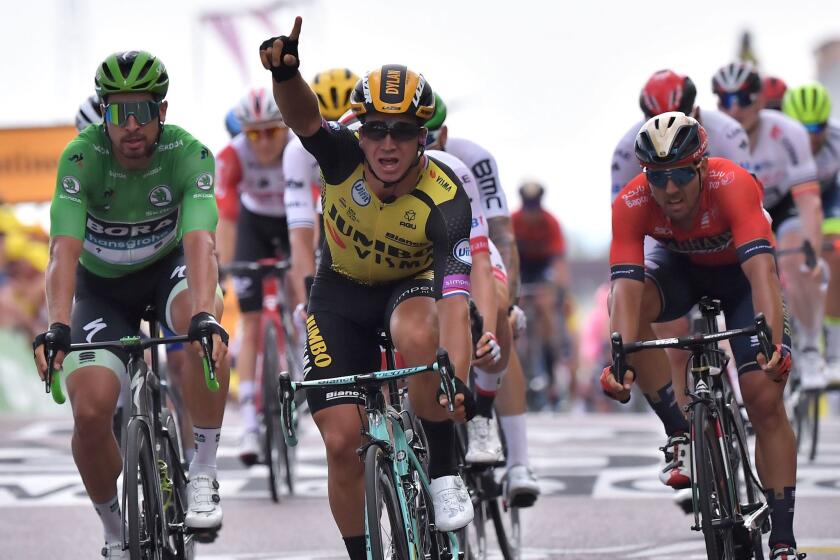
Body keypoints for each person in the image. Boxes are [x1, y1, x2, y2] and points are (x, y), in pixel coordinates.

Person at [259, 18, 477, 559]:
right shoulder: (342, 158)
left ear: (422, 137)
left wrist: (459, 377)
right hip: (340, 294)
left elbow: (454, 299)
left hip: (411, 288)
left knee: (420, 333)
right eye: (375, 128)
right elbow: (305, 117)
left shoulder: (446, 197)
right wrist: (287, 75)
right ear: (360, 133)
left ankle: (446, 469)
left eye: (402, 131)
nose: (386, 143)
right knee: (340, 442)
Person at [31, 50, 230, 559]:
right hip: (103, 292)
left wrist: (206, 314)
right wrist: (56, 326)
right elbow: (63, 252)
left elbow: (202, 241)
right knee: (92, 411)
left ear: (163, 110)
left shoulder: (190, 154)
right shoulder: (81, 157)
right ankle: (115, 530)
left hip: (170, 274)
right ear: (104, 114)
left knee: (202, 332)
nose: (133, 125)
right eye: (119, 112)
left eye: (143, 109)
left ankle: (203, 472)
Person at [604, 111, 802, 560]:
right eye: (658, 177)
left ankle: (784, 539)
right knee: (625, 311)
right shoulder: (632, 203)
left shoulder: (731, 184)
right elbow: (625, 288)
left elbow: (762, 274)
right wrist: (618, 362)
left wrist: (775, 345)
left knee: (763, 397)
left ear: (700, 166)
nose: (669, 189)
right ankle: (678, 432)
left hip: (739, 279)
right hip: (680, 275)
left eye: (679, 175)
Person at [423, 93, 540, 504]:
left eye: (426, 136)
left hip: (469, 247)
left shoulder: (468, 161)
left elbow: (500, 238)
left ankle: (515, 457)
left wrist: (509, 305)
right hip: (414, 251)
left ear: (444, 135)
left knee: (500, 322)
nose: (417, 147)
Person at [714, 61, 825, 391]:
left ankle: (809, 349)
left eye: (744, 99)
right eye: (725, 100)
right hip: (737, 213)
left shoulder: (786, 133)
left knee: (797, 258)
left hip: (781, 205)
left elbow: (809, 201)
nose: (735, 109)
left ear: (760, 101)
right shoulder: (713, 135)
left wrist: (813, 254)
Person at [215, 87, 294, 464]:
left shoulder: (302, 148)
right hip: (253, 226)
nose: (263, 142)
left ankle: (301, 355)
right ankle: (249, 423)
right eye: (254, 133)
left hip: (296, 222)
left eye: (272, 132)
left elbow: (319, 208)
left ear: (286, 127)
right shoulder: (232, 155)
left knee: (305, 298)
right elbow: (226, 219)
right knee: (250, 318)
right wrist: (228, 270)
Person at [783, 82, 840, 386]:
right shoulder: (778, 143)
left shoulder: (836, 140)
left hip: (828, 201)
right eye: (802, 128)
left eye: (817, 126)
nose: (811, 136)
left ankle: (832, 350)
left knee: (833, 250)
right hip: (788, 205)